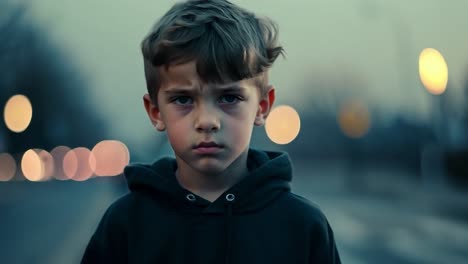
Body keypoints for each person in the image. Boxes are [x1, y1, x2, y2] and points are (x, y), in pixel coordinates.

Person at [81, 0, 341, 263]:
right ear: (156, 112)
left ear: (262, 107)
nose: (207, 121)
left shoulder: (303, 226)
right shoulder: (125, 224)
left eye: (229, 97)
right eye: (183, 99)